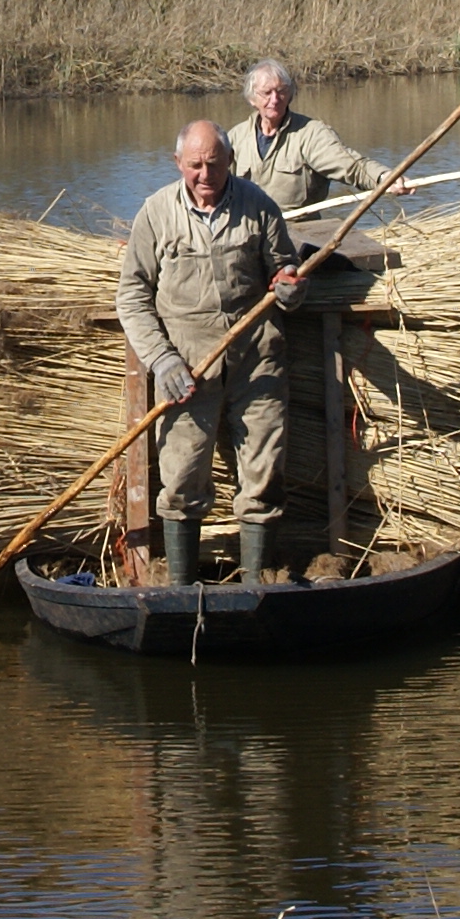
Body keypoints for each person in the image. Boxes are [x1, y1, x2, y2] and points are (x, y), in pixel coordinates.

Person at [115, 120, 306, 588]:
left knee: (263, 472)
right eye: (195, 165)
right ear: (178, 163)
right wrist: (163, 360)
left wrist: (290, 288)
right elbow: (132, 297)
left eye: (215, 165)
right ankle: (181, 588)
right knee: (181, 478)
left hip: (257, 358)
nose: (205, 175)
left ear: (230, 163)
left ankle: (256, 587)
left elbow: (285, 268)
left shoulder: (258, 206)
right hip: (187, 364)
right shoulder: (156, 213)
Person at [230, 60, 389, 215]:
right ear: (252, 98)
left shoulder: (311, 134)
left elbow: (351, 167)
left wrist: (383, 177)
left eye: (281, 91)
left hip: (301, 231)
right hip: (251, 234)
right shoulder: (235, 138)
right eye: (267, 93)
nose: (275, 99)